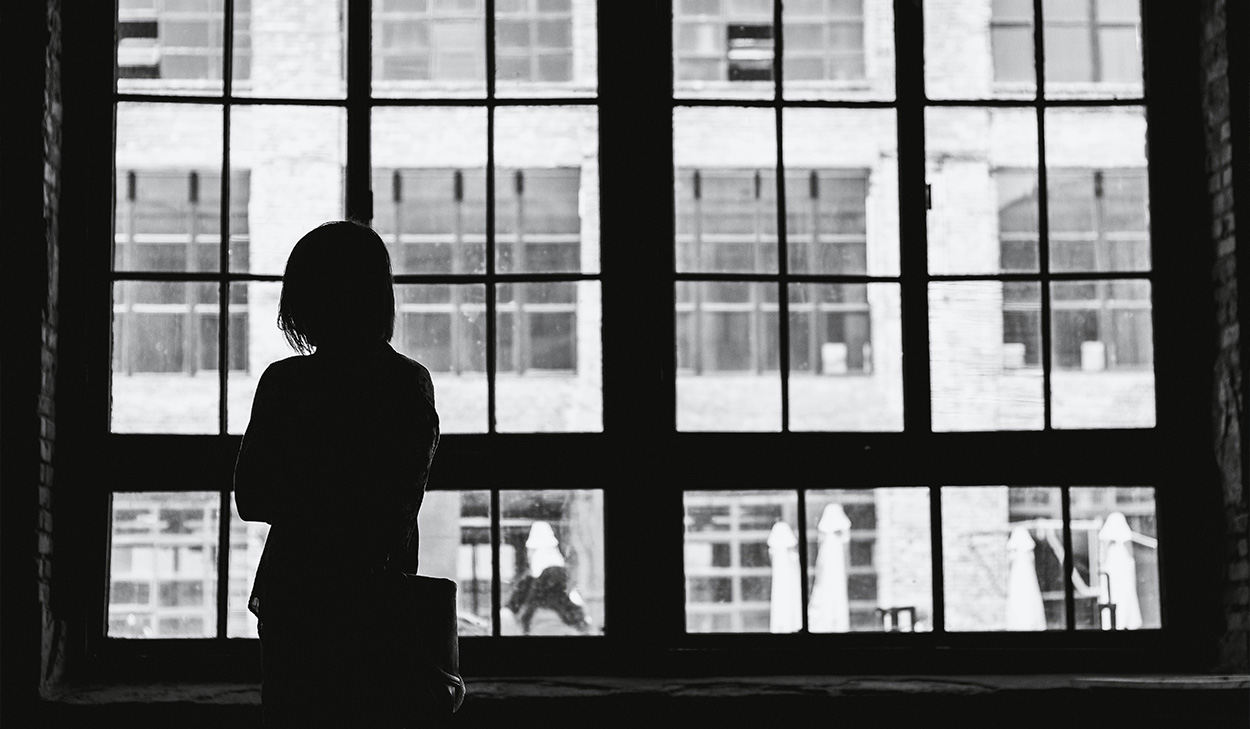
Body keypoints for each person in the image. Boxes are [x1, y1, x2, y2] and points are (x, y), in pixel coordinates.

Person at [234, 221, 440, 728]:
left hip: (297, 601)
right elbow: (393, 506)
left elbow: (252, 497)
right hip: (377, 604)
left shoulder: (285, 384)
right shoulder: (405, 385)